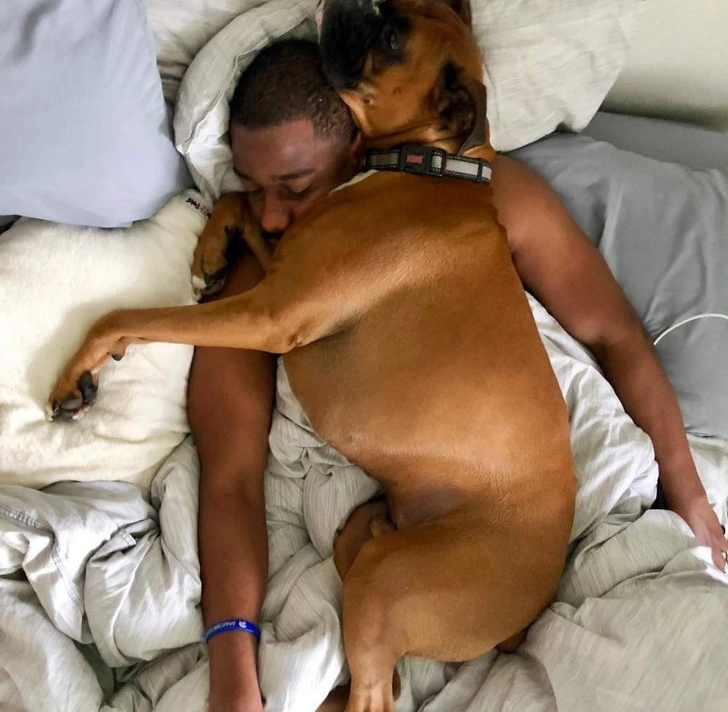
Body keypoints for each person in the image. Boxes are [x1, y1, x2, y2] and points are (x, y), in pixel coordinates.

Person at [187, 38, 728, 711]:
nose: (269, 215)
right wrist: (232, 672)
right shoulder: (256, 273)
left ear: (357, 146)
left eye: (295, 187)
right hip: (400, 569)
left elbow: (610, 332)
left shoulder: (469, 189)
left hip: (577, 502)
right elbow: (230, 473)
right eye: (250, 188)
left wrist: (690, 498)